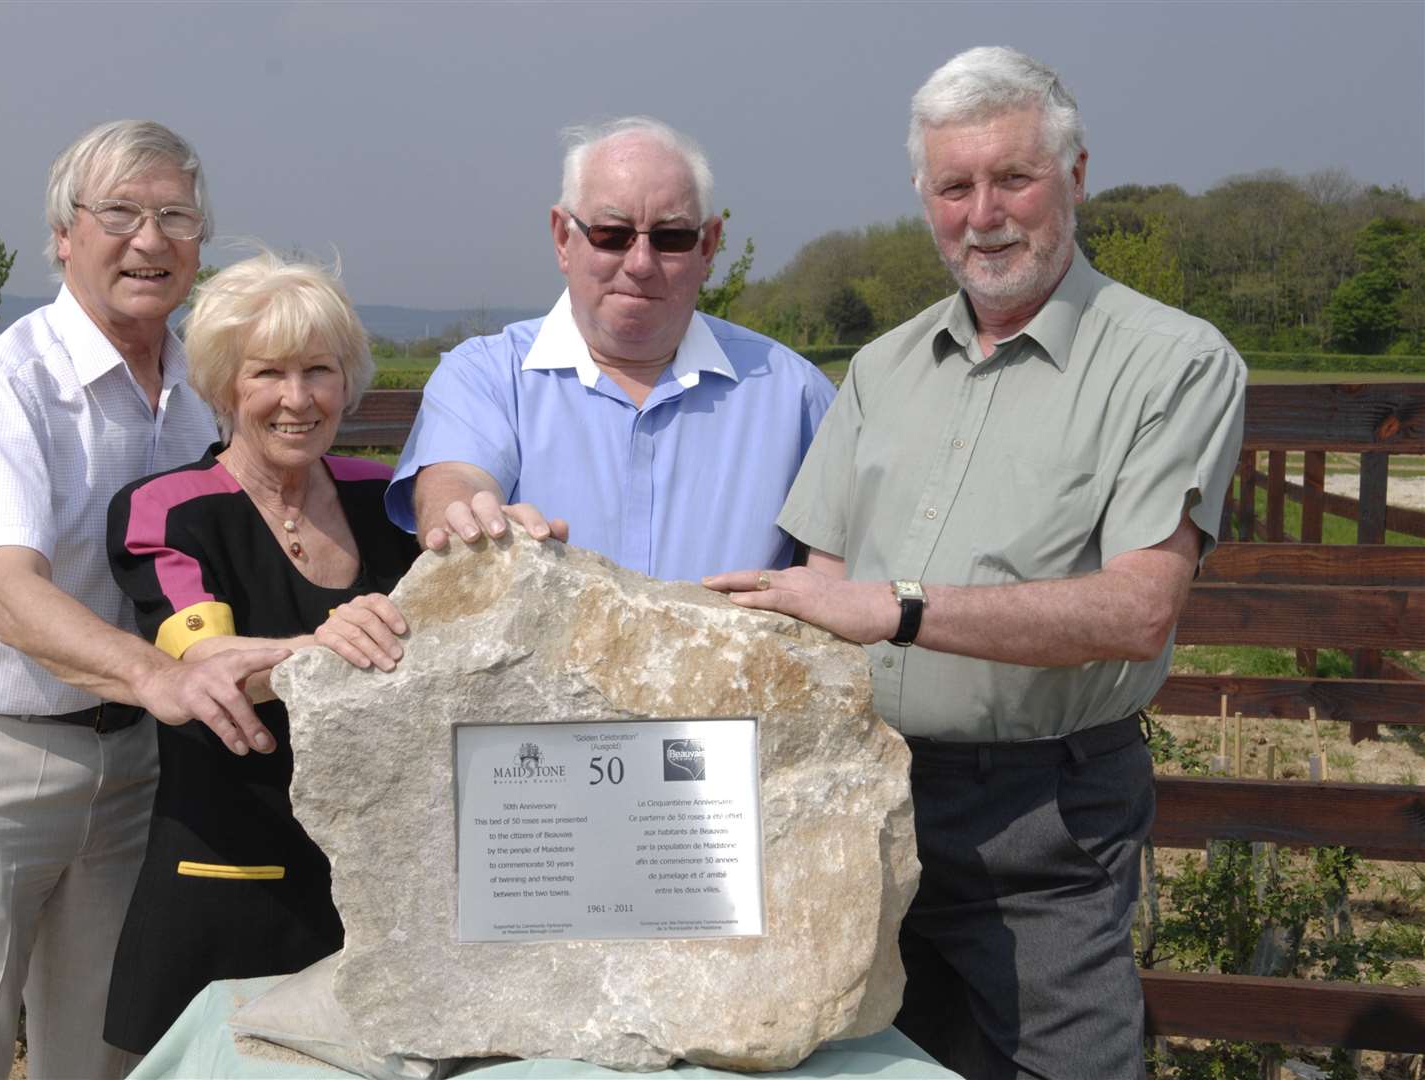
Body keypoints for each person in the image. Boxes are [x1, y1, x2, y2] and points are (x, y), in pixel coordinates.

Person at [706, 47, 1245, 1078]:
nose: (983, 213)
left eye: (1013, 178)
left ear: (1075, 175)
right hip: (863, 795)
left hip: (1041, 817)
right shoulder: (880, 366)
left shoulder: (1172, 362)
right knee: (869, 1066)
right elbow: (820, 591)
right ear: (925, 200)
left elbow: (1138, 611)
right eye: (955, 187)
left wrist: (899, 609)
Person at [0, 120, 290, 1080]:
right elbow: (12, 597)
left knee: (100, 1053)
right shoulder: (3, 388)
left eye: (176, 216)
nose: (150, 240)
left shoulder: (201, 394)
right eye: (120, 214)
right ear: (63, 235)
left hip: (134, 762)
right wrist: (164, 680)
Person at [101, 250, 418, 1053]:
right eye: (267, 372)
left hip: (379, 895)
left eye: (320, 370)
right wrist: (320, 646)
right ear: (220, 385)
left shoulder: (383, 498)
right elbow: (206, 670)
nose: (297, 398)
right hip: (229, 890)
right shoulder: (168, 510)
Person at [384, 116, 836, 580]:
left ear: (708, 248)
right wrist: (468, 517)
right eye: (612, 235)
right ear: (563, 238)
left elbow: (844, 567)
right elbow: (455, 480)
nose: (640, 263)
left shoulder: (797, 395)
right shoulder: (484, 377)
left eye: (671, 237)